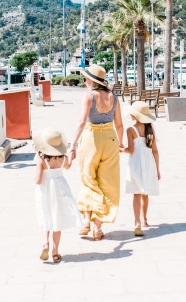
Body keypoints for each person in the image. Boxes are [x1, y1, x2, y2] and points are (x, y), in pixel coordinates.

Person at [70, 64, 123, 241]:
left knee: (88, 179)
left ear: (92, 80)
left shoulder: (89, 96)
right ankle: (98, 228)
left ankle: (86, 220)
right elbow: (120, 124)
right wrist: (120, 143)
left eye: (85, 78)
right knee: (107, 183)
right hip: (110, 139)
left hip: (91, 139)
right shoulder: (114, 98)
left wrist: (73, 145)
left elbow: (81, 122)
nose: (84, 81)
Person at [34, 127, 81, 263]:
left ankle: (45, 244)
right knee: (57, 219)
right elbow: (68, 166)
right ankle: (55, 252)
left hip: (45, 190)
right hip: (59, 189)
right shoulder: (63, 158)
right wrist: (71, 157)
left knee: (46, 217)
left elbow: (38, 180)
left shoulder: (41, 160)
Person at [123, 101, 160, 237]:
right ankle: (145, 219)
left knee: (136, 194)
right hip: (149, 164)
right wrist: (158, 169)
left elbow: (131, 150)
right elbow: (155, 151)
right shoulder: (150, 130)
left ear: (135, 115)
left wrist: (121, 150)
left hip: (136, 164)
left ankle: (137, 223)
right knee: (145, 194)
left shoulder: (130, 130)